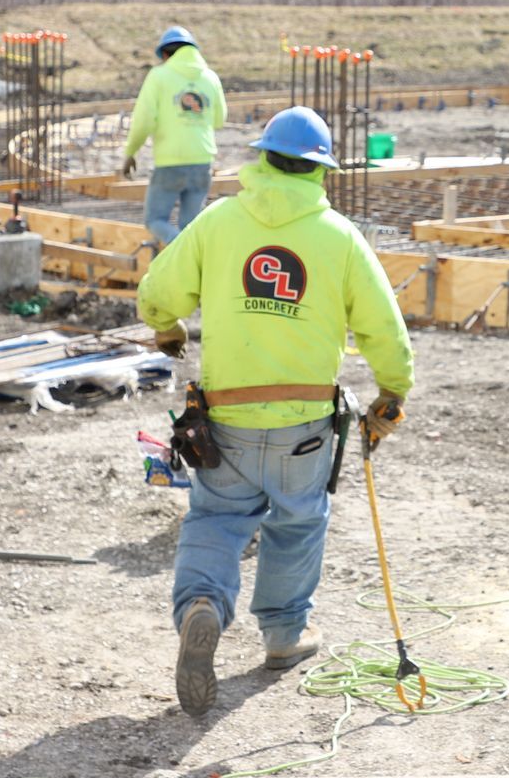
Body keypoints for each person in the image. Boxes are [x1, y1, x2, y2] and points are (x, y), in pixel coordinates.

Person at [138, 106, 416, 715]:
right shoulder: (339, 236)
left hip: (226, 423)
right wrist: (391, 394)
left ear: (262, 157)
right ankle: (285, 636)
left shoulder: (219, 222)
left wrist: (168, 330)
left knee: (215, 520)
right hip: (304, 427)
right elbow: (385, 333)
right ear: (320, 170)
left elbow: (158, 292)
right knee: (296, 524)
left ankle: (203, 607)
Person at [123, 25, 227, 245]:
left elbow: (143, 121)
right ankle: (191, 259)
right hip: (202, 161)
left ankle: (179, 248)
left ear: (166, 54)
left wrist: (131, 152)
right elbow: (219, 120)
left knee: (155, 220)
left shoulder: (159, 76)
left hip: (170, 162)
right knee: (191, 226)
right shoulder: (210, 77)